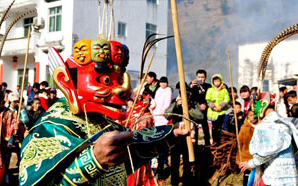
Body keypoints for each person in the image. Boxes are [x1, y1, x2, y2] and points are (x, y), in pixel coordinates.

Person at [19, 38, 191, 186]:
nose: (121, 90)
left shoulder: (104, 122)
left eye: (120, 80)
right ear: (65, 81)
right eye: (106, 80)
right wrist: (93, 161)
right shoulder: (50, 128)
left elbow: (131, 156)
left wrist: (171, 133)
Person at [239, 92, 298, 186]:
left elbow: (268, 151)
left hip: (274, 176)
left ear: (263, 105)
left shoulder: (266, 125)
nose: (255, 111)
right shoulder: (286, 123)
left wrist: (251, 163)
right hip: (289, 175)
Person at [150, 76, 172, 184]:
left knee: (161, 138)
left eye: (165, 83)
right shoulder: (158, 90)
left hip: (163, 115)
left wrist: (164, 110)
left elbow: (167, 103)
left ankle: (161, 172)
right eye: (162, 83)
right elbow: (154, 100)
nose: (163, 84)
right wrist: (152, 106)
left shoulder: (168, 91)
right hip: (156, 114)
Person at [189, 69, 212, 146]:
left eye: (202, 77)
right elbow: (189, 97)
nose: (200, 79)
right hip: (195, 110)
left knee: (205, 128)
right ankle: (194, 145)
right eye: (199, 77)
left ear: (205, 78)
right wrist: (191, 87)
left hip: (205, 110)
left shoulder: (208, 86)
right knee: (194, 129)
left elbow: (211, 98)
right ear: (196, 77)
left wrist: (205, 104)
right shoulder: (193, 86)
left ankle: (207, 145)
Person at [206, 74, 230, 144]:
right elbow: (208, 99)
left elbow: (226, 98)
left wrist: (220, 106)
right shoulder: (210, 90)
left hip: (222, 111)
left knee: (222, 127)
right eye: (215, 81)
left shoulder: (224, 90)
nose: (217, 83)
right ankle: (215, 141)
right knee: (214, 128)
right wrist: (213, 107)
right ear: (212, 82)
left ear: (221, 81)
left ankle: (224, 140)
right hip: (213, 112)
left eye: (218, 81)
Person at [236, 110, 258, 186]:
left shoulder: (261, 126)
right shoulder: (244, 128)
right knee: (248, 180)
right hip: (246, 158)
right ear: (247, 117)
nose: (253, 117)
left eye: (255, 115)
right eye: (251, 115)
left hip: (258, 159)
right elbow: (240, 144)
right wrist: (238, 158)